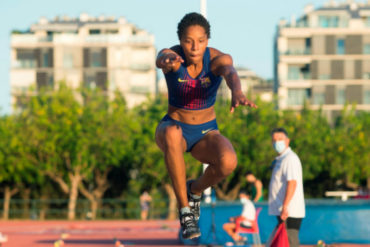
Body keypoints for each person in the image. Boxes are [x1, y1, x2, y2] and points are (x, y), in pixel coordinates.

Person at [155, 12, 257, 239]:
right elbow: (161, 57)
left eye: (201, 41)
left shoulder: (217, 60)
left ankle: (195, 190)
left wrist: (237, 91)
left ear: (207, 41)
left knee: (229, 162)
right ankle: (185, 211)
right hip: (174, 128)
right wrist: (165, 61)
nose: (194, 47)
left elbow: (230, 72)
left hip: (205, 133)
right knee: (172, 133)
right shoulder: (173, 57)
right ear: (181, 41)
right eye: (188, 41)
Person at [267, 128, 305, 247]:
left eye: (280, 139)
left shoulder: (290, 159)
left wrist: (285, 206)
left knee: (290, 242)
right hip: (283, 211)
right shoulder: (281, 159)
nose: (277, 142)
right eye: (274, 140)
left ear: (287, 141)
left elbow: (292, 183)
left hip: (289, 211)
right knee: (274, 243)